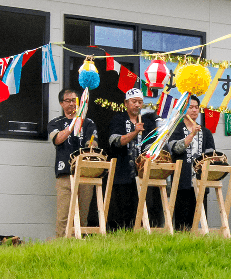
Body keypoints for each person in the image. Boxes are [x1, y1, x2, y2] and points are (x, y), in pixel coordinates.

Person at [48, 89, 98, 237]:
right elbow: (57, 139)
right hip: (65, 174)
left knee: (82, 215)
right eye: (68, 100)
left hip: (85, 174)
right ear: (61, 103)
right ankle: (60, 247)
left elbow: (93, 144)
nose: (72, 103)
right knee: (63, 215)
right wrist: (72, 126)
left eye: (75, 100)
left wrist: (90, 149)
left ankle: (79, 246)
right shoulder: (55, 123)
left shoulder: (88, 123)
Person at [107, 88, 159, 230]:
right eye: (134, 101)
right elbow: (115, 142)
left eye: (140, 102)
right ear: (126, 103)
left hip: (142, 175)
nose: (137, 105)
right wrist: (135, 131)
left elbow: (151, 146)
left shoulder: (148, 122)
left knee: (142, 209)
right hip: (122, 174)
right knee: (122, 212)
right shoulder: (118, 119)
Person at [167, 96, 215, 231]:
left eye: (196, 107)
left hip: (200, 182)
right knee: (181, 223)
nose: (194, 110)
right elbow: (176, 149)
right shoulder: (176, 128)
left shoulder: (206, 132)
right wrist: (191, 135)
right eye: (190, 107)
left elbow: (211, 155)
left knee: (198, 220)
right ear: (184, 109)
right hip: (181, 182)